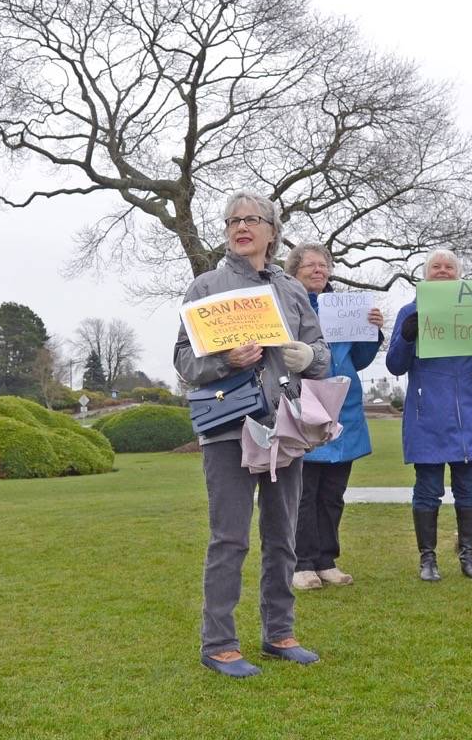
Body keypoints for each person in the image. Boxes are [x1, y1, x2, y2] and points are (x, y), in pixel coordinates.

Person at [174, 190, 331, 679]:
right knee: (230, 539)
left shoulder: (292, 290)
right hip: (228, 427)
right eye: (232, 221)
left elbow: (320, 352)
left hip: (285, 424)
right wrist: (225, 360)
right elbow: (183, 361)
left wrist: (306, 357)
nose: (240, 227)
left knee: (282, 536)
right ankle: (218, 642)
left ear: (271, 230)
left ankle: (279, 633)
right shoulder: (206, 287)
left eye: (251, 220)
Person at [385, 250, 472, 582]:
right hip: (428, 414)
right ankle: (428, 560)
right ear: (425, 274)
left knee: (469, 489)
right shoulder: (410, 311)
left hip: (468, 413)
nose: (442, 271)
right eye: (435, 266)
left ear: (458, 274)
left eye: (449, 267)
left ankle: (469, 556)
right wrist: (407, 336)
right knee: (427, 489)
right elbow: (394, 364)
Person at [283, 243, 384, 591]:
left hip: (346, 408)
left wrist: (374, 331)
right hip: (306, 406)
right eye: (309, 265)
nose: (318, 270)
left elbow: (360, 357)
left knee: (333, 493)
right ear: (294, 271)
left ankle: (327, 560)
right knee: (304, 492)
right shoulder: (286, 306)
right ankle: (302, 562)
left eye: (323, 265)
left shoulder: (345, 309)